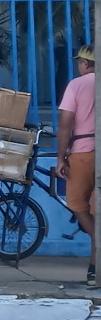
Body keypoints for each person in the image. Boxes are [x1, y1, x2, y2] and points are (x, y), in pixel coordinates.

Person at [55, 45, 96, 286]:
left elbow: (65, 123)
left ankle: (97, 248)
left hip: (82, 154)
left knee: (77, 205)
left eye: (80, 61)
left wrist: (61, 158)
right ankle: (94, 265)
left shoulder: (77, 85)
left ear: (86, 64)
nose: (78, 65)